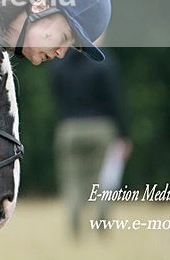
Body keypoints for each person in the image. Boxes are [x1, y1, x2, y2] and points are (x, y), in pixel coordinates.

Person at [51, 38, 132, 238]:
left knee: (72, 181)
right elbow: (115, 101)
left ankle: (75, 226)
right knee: (103, 179)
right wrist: (124, 134)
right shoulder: (105, 63)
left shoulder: (58, 65)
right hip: (101, 127)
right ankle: (101, 224)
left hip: (69, 128)